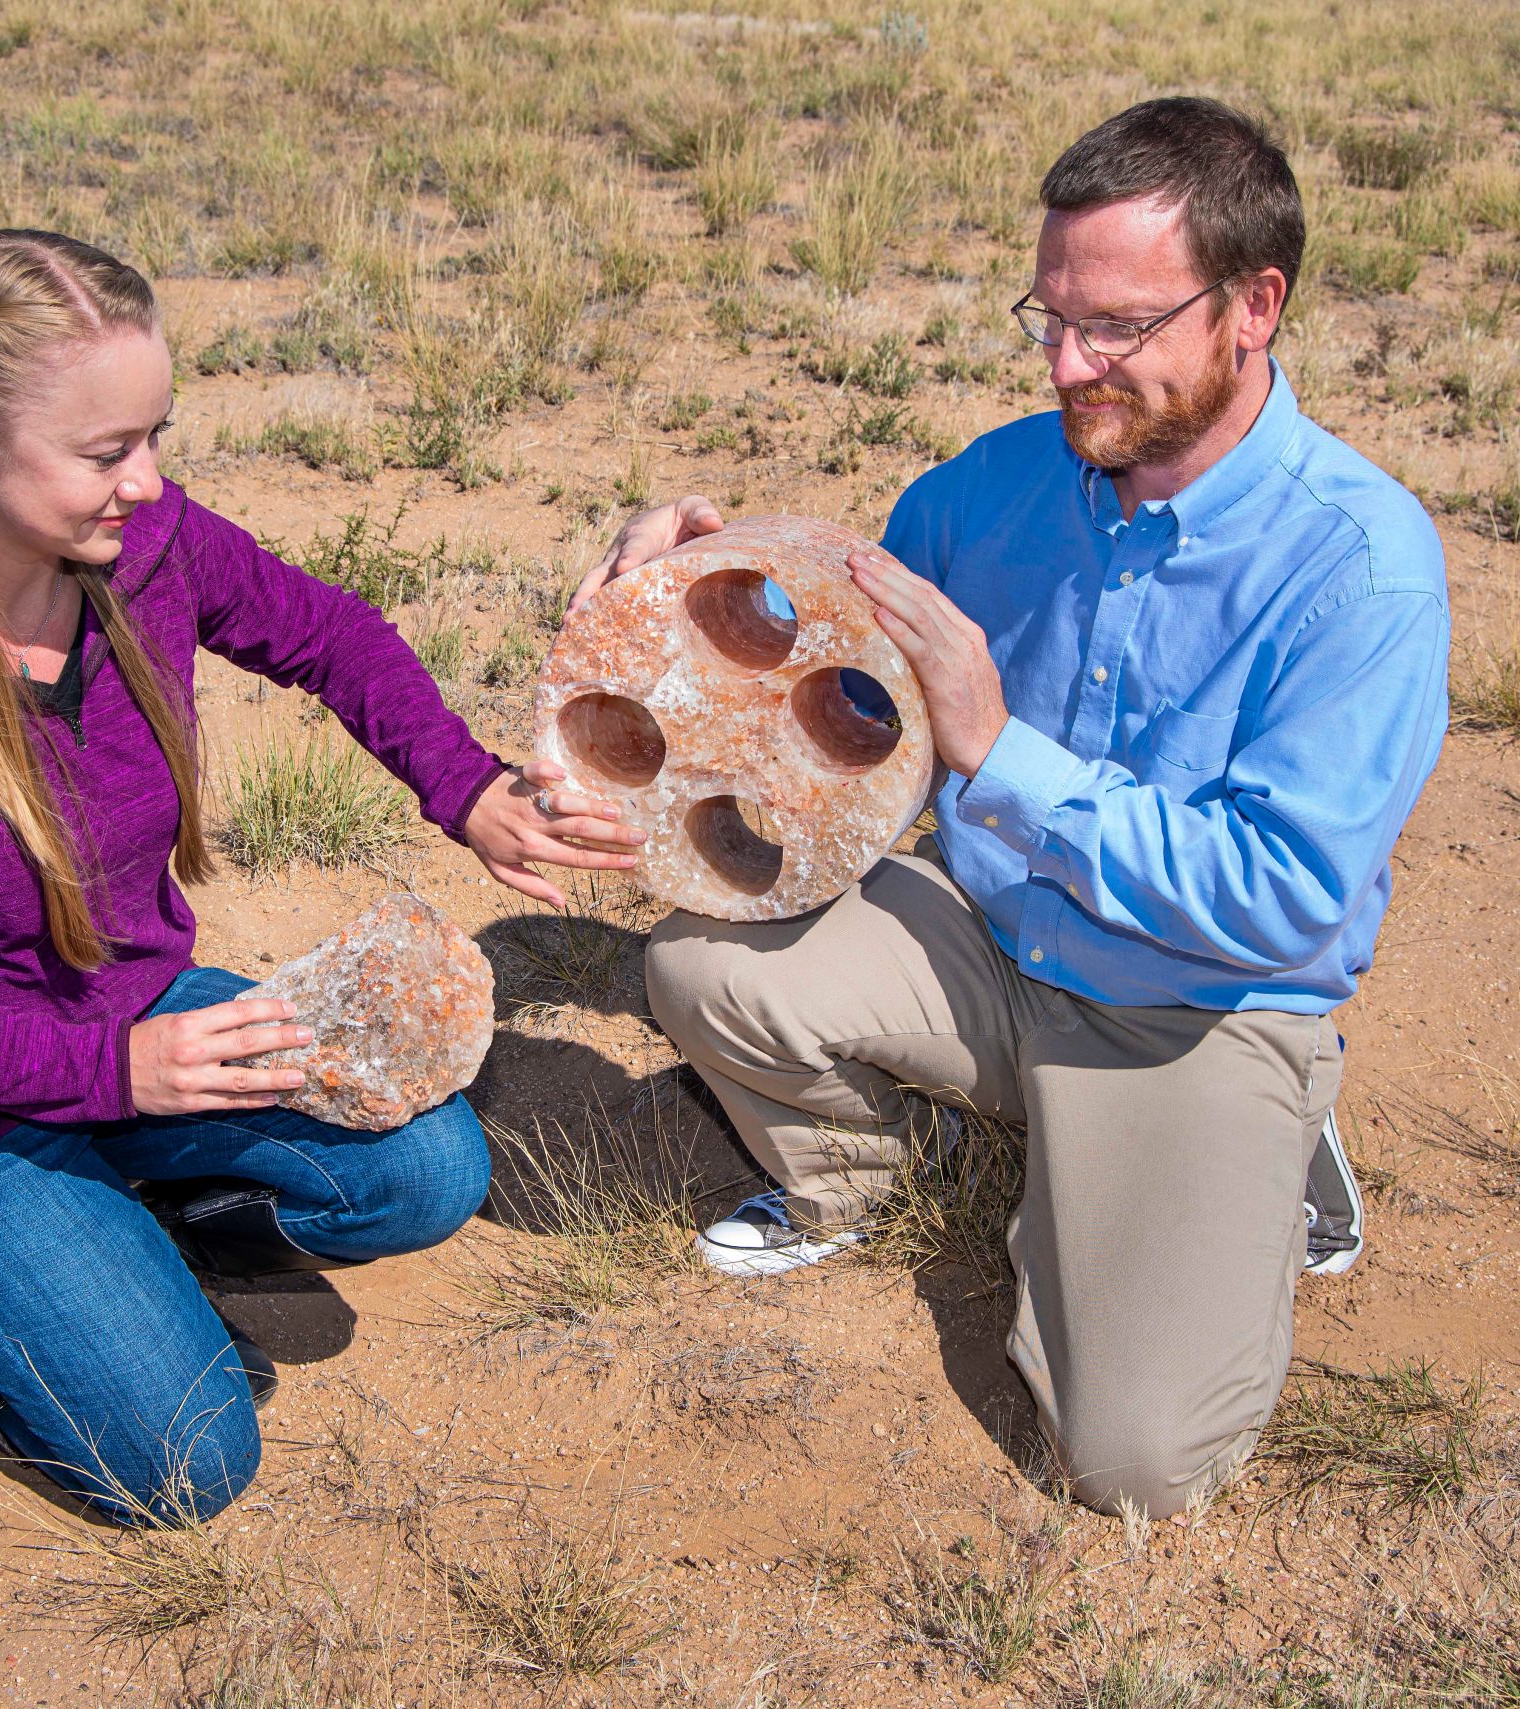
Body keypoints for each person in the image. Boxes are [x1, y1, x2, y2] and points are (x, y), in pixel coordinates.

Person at [578, 98, 1449, 1519]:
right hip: (991, 944)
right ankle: (883, 1163)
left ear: (1254, 307)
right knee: (699, 964)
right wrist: (709, 554)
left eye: (1111, 327)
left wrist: (1001, 752)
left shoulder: (1363, 570)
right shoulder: (1001, 481)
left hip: (1201, 1005)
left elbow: (1284, 888)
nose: (1064, 364)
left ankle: (1273, 1151)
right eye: (1046, 317)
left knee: (1134, 1463)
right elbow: (846, 652)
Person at [0, 229, 641, 1525]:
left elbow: (328, 630)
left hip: (132, 1018)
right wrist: (114, 1078)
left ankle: (116, 1222)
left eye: (157, 435)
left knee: (426, 1168)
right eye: (107, 452)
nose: (148, 483)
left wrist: (467, 784)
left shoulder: (140, 545)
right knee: (190, 1461)